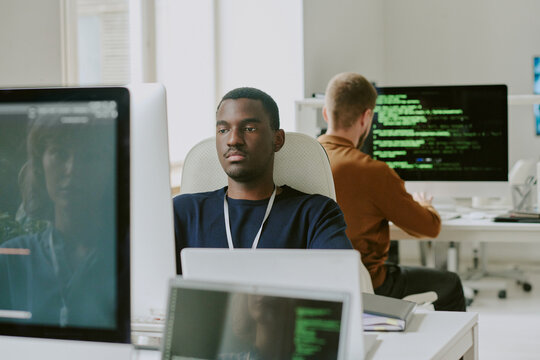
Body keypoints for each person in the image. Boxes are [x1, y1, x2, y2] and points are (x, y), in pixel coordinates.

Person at [318, 72, 466, 311]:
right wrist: (426, 205)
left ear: (326, 113)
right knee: (451, 283)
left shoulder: (301, 161)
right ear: (366, 118)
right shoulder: (373, 171)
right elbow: (429, 227)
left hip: (315, 286)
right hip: (367, 287)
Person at [173, 87, 352, 273]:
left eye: (249, 129)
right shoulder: (183, 212)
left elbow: (340, 283)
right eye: (223, 130)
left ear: (277, 139)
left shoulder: (315, 213)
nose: (233, 140)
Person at [0, 112, 118, 327]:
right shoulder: (11, 259)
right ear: (39, 165)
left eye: (90, 156)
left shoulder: (125, 258)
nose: (72, 170)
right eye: (60, 154)